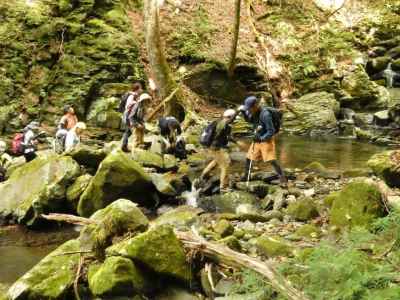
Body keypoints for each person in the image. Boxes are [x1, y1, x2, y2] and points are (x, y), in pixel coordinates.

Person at [239, 96, 287, 185]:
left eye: (249, 108)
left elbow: (271, 131)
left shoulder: (265, 115)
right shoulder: (253, 112)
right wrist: (244, 113)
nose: (248, 110)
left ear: (255, 105)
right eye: (247, 109)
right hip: (257, 139)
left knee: (270, 160)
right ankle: (247, 176)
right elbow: (250, 120)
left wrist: (261, 138)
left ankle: (282, 178)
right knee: (249, 158)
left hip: (266, 140)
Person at [200, 109, 237, 193]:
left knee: (216, 161)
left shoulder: (216, 122)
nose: (234, 120)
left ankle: (203, 176)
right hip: (215, 148)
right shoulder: (225, 126)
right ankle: (223, 187)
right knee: (225, 165)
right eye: (233, 118)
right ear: (230, 117)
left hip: (209, 146)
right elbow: (223, 140)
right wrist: (234, 142)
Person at [121, 83, 143, 152]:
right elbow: (128, 106)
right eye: (140, 88)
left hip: (128, 115)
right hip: (129, 115)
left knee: (128, 131)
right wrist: (135, 102)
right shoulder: (132, 96)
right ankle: (125, 146)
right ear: (137, 89)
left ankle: (124, 145)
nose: (141, 90)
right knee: (128, 131)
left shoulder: (133, 95)